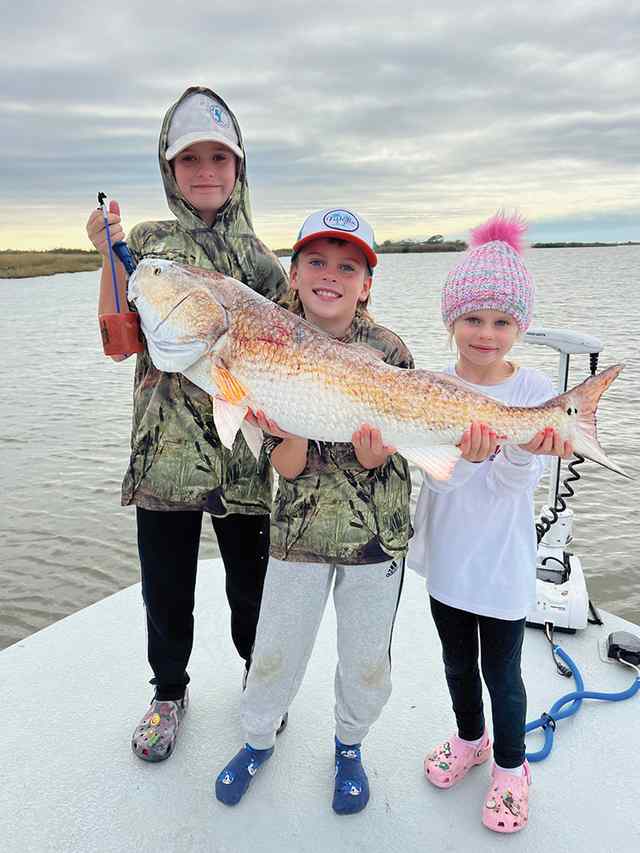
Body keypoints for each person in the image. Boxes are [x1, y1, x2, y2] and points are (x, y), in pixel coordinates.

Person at [85, 86, 289, 762]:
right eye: (190, 159)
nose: (206, 172)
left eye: (219, 158)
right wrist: (106, 251)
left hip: (245, 459)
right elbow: (120, 341)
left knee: (250, 588)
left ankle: (257, 688)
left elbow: (292, 355)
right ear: (169, 170)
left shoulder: (261, 262)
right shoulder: (146, 243)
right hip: (164, 458)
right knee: (166, 588)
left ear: (240, 167)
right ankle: (168, 692)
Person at [214, 208, 414, 814]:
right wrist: (288, 430)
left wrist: (376, 456)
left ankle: (349, 745)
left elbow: (412, 434)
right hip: (298, 530)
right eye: (316, 262)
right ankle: (257, 737)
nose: (331, 275)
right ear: (294, 274)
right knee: (275, 645)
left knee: (365, 656)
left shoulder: (389, 350)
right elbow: (289, 465)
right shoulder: (265, 340)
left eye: (348, 266)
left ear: (367, 283)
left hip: (376, 536)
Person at [407, 213, 573, 833]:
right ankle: (470, 737)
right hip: (448, 559)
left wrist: (518, 452)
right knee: (455, 663)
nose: (486, 333)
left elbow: (513, 488)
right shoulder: (429, 387)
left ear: (519, 327)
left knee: (502, 670)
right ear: (452, 320)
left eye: (502, 321)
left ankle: (510, 766)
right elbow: (433, 472)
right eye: (474, 318)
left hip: (501, 564)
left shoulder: (532, 391)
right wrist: (469, 461)